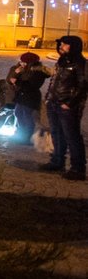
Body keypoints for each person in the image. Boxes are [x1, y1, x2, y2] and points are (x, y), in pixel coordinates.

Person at [40, 36, 87, 180]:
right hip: (54, 102)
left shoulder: (80, 64)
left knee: (72, 137)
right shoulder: (62, 61)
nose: (61, 46)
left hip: (67, 106)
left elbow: (83, 85)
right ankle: (57, 161)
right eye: (61, 43)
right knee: (56, 134)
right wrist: (49, 98)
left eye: (65, 44)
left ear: (73, 46)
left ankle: (78, 169)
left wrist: (70, 103)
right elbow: (55, 81)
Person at [7, 52, 50, 145]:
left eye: (24, 62)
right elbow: (9, 80)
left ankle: (26, 137)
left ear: (30, 63)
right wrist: (16, 73)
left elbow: (33, 85)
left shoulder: (38, 72)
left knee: (27, 116)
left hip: (31, 96)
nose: (21, 63)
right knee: (18, 113)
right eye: (21, 61)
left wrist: (17, 82)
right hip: (20, 96)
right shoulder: (19, 69)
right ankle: (20, 134)